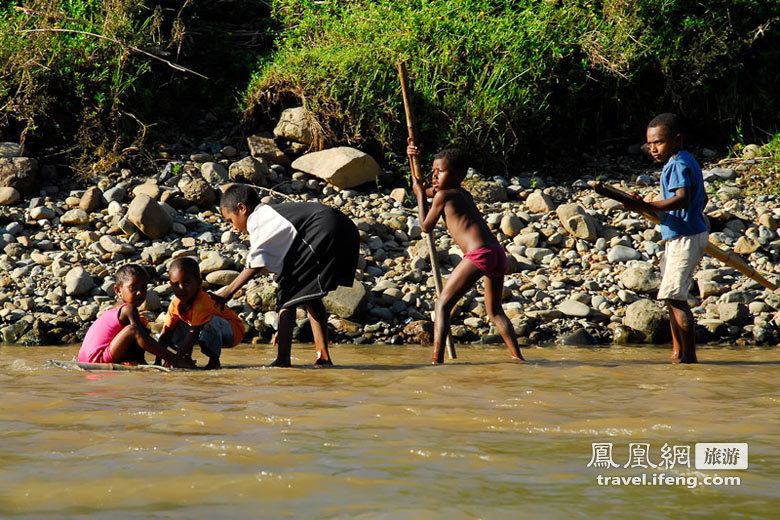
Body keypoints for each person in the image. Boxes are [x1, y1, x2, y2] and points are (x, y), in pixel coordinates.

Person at [216, 184, 359, 367]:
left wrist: (227, 292)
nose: (234, 228)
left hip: (325, 227)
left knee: (287, 292)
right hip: (345, 228)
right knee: (309, 294)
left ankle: (283, 360)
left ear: (242, 208)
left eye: (230, 220)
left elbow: (256, 263)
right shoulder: (274, 214)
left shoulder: (259, 218)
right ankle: (323, 358)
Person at [407, 145, 524, 364]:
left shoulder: (443, 196)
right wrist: (413, 160)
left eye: (440, 172)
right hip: (496, 252)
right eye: (433, 171)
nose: (434, 175)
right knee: (495, 310)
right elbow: (422, 188)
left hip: (479, 254)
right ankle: (518, 357)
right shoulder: (461, 192)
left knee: (442, 304)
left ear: (459, 175)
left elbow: (425, 226)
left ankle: (436, 360)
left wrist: (421, 196)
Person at [621, 113, 708, 363]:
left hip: (685, 236)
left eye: (658, 142)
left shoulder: (679, 163)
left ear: (677, 140)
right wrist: (647, 206)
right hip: (682, 233)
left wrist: (649, 205)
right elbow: (700, 199)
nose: (653, 149)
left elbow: (682, 198)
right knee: (671, 296)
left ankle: (688, 359)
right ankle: (677, 352)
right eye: (649, 144)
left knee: (675, 297)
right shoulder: (684, 161)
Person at [78, 264, 193, 368]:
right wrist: (172, 359)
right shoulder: (128, 308)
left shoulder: (111, 310)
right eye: (133, 287)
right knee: (134, 330)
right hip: (97, 360)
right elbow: (138, 338)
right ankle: (177, 361)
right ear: (118, 290)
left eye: (143, 287)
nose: (140, 292)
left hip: (85, 359)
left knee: (140, 328)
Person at [158, 257, 245, 369]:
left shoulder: (202, 302)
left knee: (209, 322)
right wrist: (158, 360)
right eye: (176, 284)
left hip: (232, 332)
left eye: (187, 283)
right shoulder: (175, 303)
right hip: (204, 331)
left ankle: (214, 361)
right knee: (167, 330)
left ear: (198, 283)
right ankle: (186, 359)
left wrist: (176, 360)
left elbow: (193, 334)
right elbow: (166, 333)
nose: (181, 289)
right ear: (171, 284)